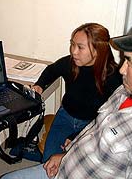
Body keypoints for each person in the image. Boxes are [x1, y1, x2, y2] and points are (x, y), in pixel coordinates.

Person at [1, 17, 132, 179]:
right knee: (42, 161)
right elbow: (98, 126)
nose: (122, 69)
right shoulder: (127, 90)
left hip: (78, 158)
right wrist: (66, 154)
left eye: (129, 61)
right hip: (69, 154)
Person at [21, 23, 122, 163]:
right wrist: (39, 85)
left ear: (98, 50)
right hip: (65, 117)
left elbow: (112, 117)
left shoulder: (114, 76)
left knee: (76, 166)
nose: (73, 51)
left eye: (80, 47)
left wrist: (77, 136)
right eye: (72, 44)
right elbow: (51, 70)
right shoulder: (71, 63)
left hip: (92, 126)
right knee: (49, 162)